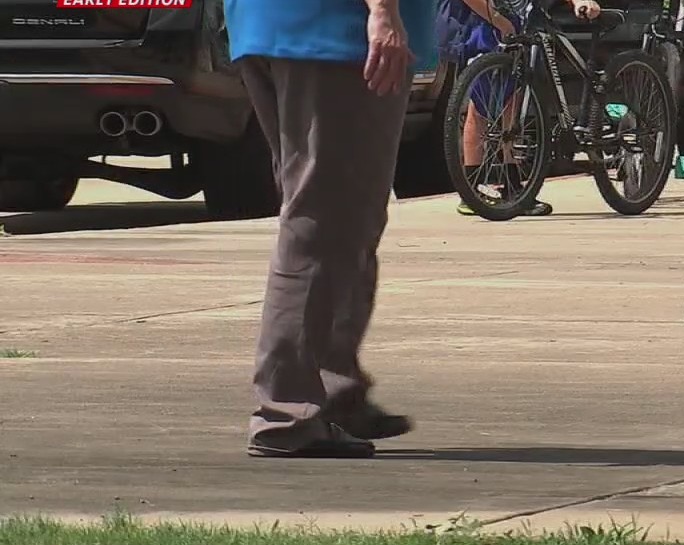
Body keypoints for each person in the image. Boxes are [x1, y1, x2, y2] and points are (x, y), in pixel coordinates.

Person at [225, 0, 434, 457]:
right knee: (322, 223)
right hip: (337, 36)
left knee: (346, 223)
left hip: (274, 27)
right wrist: (383, 12)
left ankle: (333, 388)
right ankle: (286, 414)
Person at [441, 0, 572, 217]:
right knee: (479, 106)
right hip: (485, 27)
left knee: (513, 100)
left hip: (518, 23)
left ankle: (513, 187)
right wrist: (500, 22)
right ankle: (471, 191)